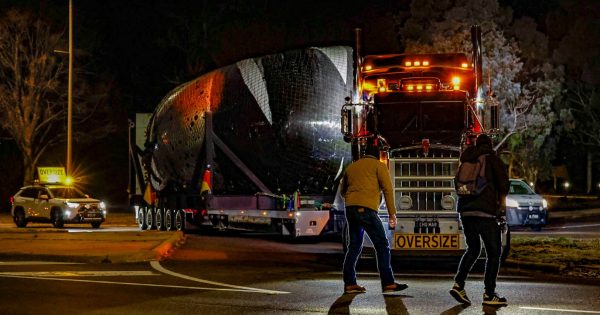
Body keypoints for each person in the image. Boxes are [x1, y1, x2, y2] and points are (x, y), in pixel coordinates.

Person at [341, 139, 407, 294]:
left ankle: (350, 283)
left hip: (350, 209)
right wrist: (392, 214)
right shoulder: (379, 166)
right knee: (382, 244)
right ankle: (388, 282)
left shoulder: (352, 167)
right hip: (367, 210)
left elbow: (343, 191)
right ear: (377, 156)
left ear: (365, 154)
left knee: (354, 246)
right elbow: (388, 190)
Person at [450, 134, 509, 306]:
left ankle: (458, 284)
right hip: (485, 213)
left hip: (466, 212)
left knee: (473, 249)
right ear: (490, 145)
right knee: (494, 252)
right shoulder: (492, 159)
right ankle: (489, 294)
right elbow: (504, 185)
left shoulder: (467, 159)